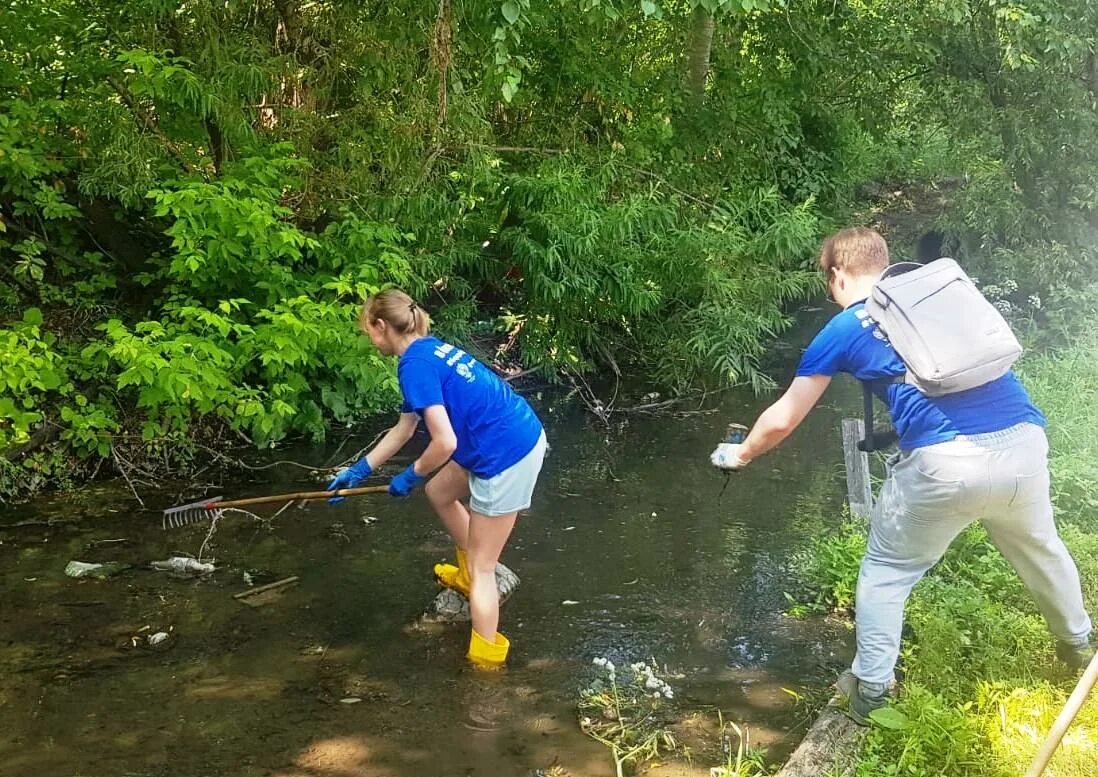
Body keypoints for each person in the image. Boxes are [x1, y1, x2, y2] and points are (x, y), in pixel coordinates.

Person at [709, 227, 1093, 722]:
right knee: (1042, 548)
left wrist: (740, 456)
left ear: (837, 274)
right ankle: (1078, 646)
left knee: (887, 573)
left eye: (828, 283)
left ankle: (872, 691)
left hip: (944, 467)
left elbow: (784, 418)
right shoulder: (937, 302)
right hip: (1024, 443)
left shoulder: (847, 326)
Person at [327, 289, 547, 668]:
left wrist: (409, 476)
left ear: (382, 326)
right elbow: (404, 428)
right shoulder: (424, 352)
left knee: (484, 568)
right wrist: (360, 470)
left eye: (369, 332)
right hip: (500, 437)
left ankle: (486, 661)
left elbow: (444, 442)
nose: (370, 339)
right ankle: (468, 576)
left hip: (508, 453)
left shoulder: (415, 365)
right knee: (440, 491)